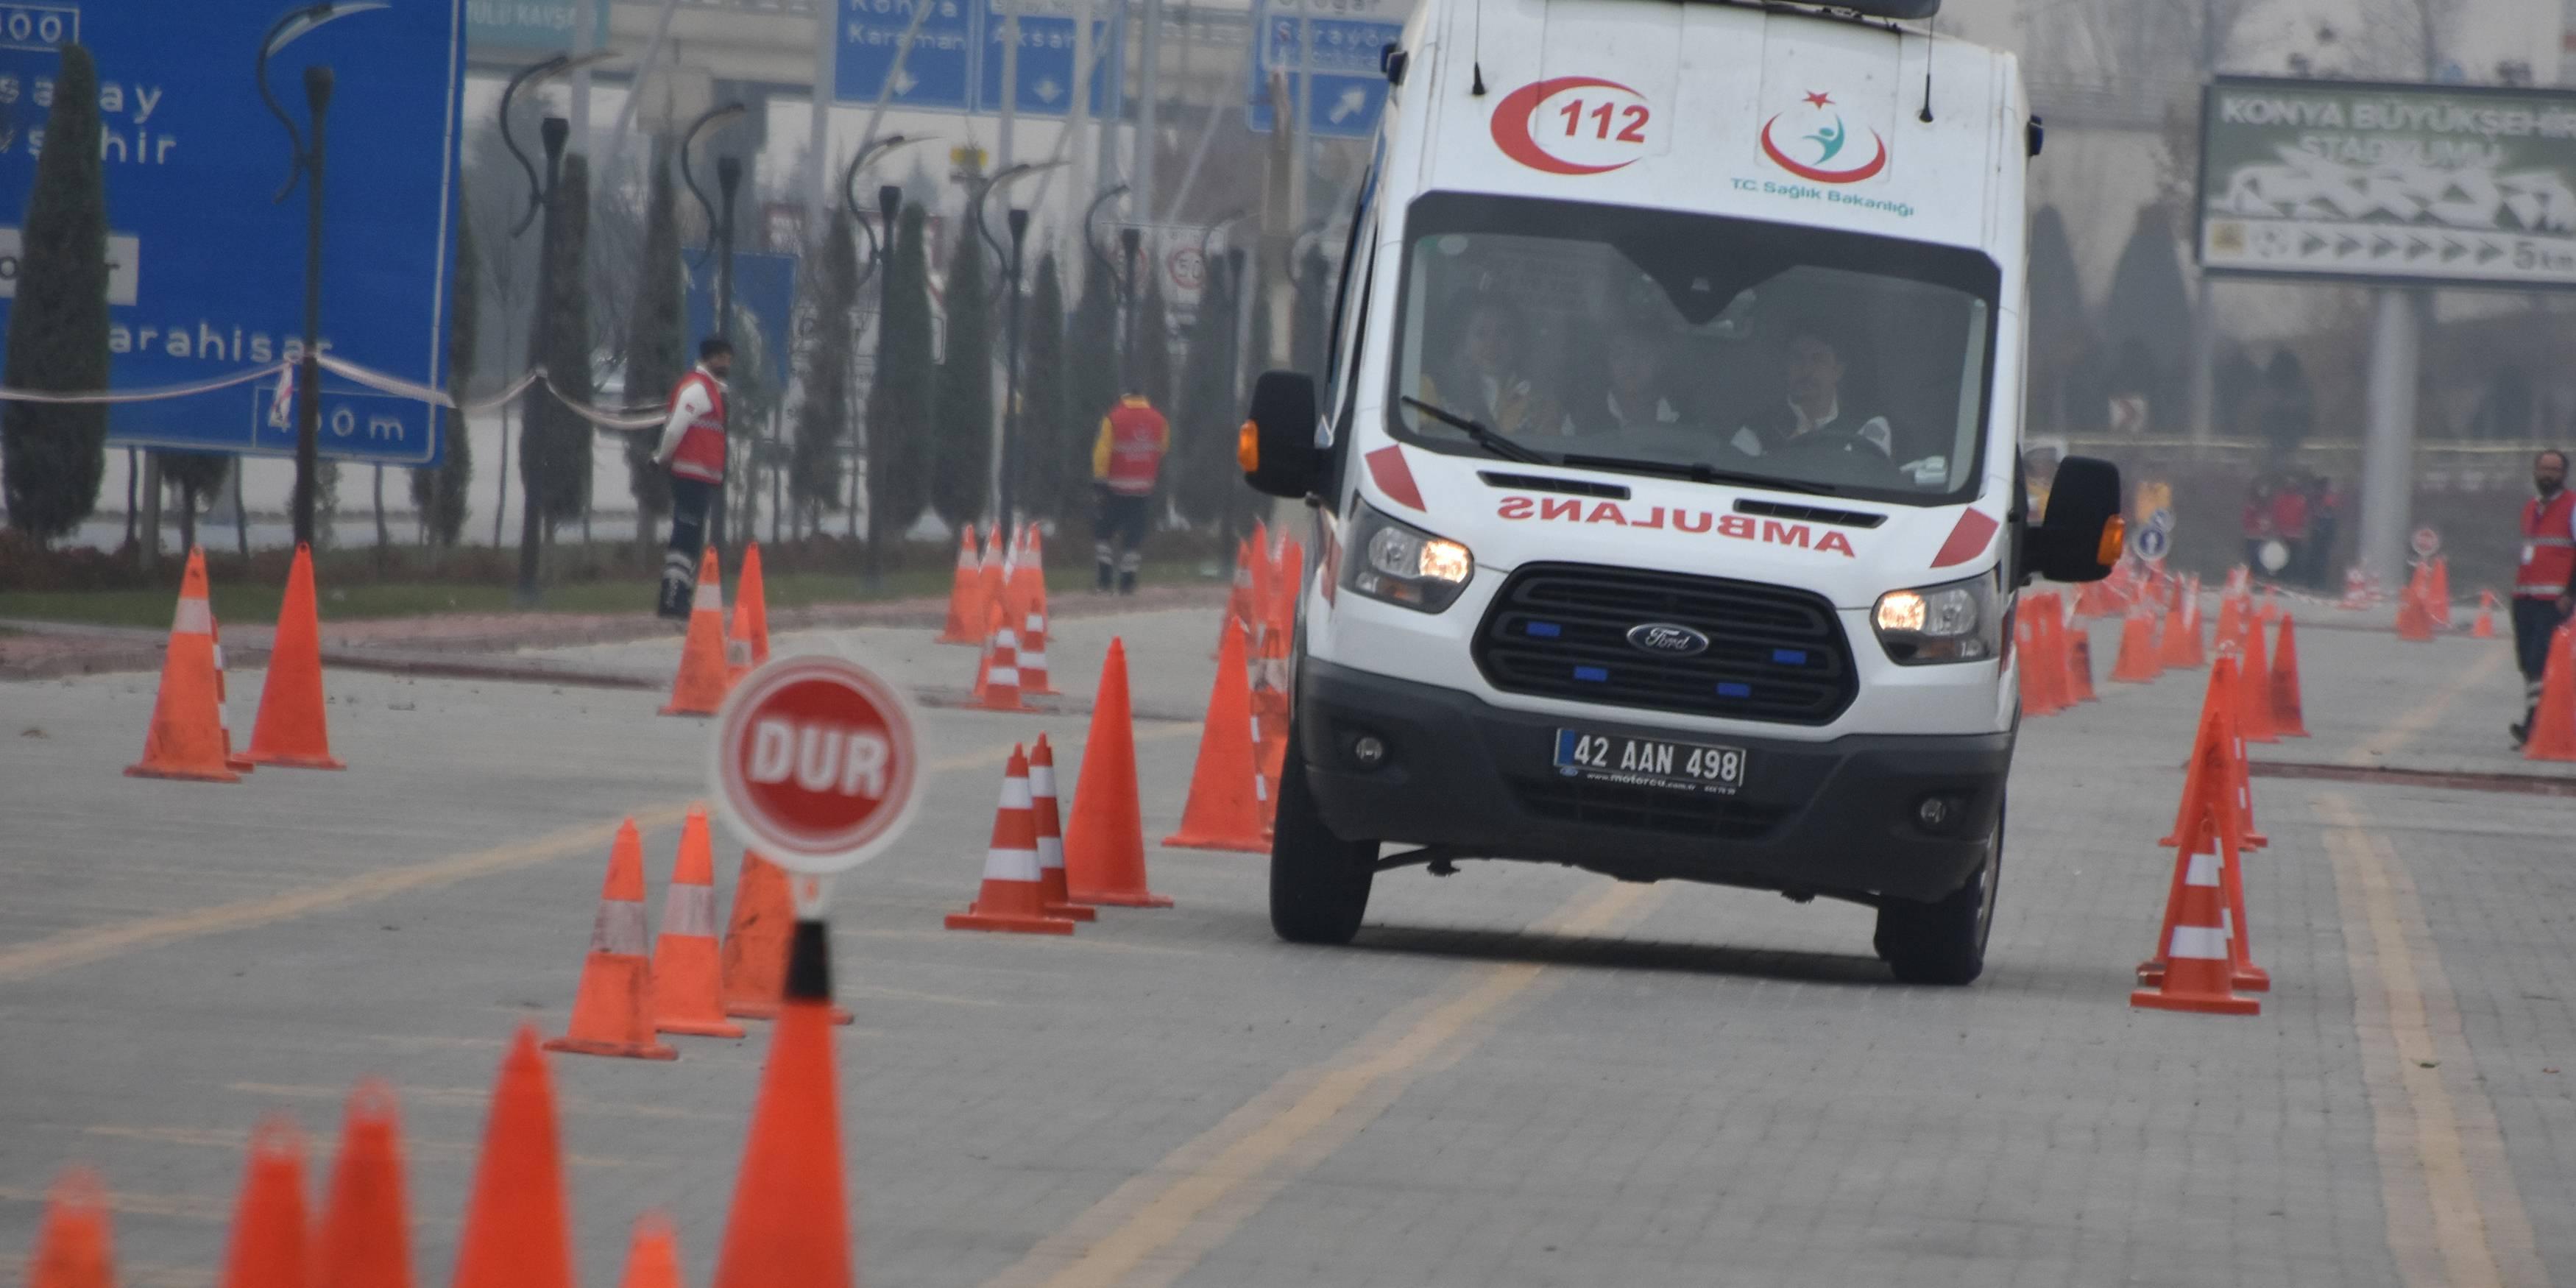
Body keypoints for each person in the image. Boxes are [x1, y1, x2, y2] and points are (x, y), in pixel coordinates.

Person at [651, 337, 732, 620]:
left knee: (691, 538)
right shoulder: (698, 390)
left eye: (728, 358)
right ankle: (673, 598)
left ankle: (679, 595)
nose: (726, 364)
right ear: (709, 358)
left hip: (701, 477)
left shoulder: (712, 390)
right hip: (690, 475)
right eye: (721, 358)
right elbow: (675, 429)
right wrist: (663, 457)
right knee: (685, 537)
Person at [1730, 325, 1892, 460]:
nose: (1806, 370)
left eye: (1818, 360)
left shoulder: (1868, 426)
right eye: (1797, 359)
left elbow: (1865, 481)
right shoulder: (1756, 431)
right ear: (1785, 367)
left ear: (1838, 371)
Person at [2510, 449, 2576, 746]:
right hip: (2525, 597)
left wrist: (2570, 593)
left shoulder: (2572, 506)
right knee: (2527, 662)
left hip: (2554, 601)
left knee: (2540, 660)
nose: (2548, 475)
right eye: (2544, 468)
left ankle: (2534, 725)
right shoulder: (2529, 508)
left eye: (2554, 469)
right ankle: (2535, 720)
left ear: (2564, 474)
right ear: (2535, 471)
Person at [1421, 299, 1560, 437]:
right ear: (1464, 343)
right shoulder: (1434, 388)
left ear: (1518, 342)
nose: (1492, 344)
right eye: (1481, 334)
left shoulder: (1539, 401)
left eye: (1503, 333)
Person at [1091, 387, 1168, 595]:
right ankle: (1128, 582)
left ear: (1124, 399)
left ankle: (1105, 581)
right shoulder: (1159, 420)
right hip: (1143, 489)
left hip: (1115, 488)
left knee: (1103, 533)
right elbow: (1162, 448)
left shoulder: (1114, 418)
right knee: (1133, 537)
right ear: (1145, 399)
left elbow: (1102, 452)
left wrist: (1099, 481)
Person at [1565, 321, 1682, 435]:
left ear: (1660, 362)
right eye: (1619, 355)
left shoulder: (1683, 413)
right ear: (1607, 361)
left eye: (1642, 355)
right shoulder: (1582, 412)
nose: (1630, 365)